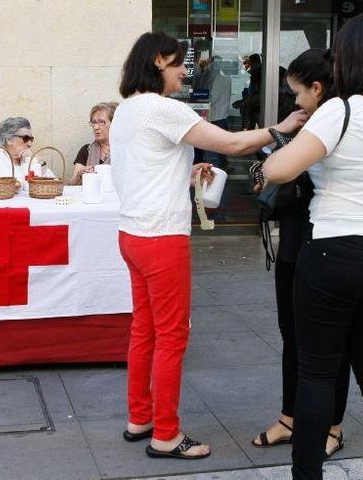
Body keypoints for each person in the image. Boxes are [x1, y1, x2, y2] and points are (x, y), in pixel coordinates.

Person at [111, 31, 306, 460]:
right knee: (172, 337)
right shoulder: (164, 108)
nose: (186, 70)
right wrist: (280, 129)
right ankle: (166, 434)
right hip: (161, 238)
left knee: (144, 330)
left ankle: (139, 418)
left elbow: (144, 166)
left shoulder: (127, 110)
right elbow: (233, 143)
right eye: (180, 62)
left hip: (133, 234)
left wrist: (182, 168)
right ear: (159, 61)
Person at [263, 14, 363, 479]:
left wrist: (275, 149)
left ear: (348, 59)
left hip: (335, 251)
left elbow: (278, 171)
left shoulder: (340, 109)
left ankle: (306, 473)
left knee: (316, 373)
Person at [249, 48, 349, 460]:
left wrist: (271, 166)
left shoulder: (344, 123)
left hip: (328, 244)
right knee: (291, 334)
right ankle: (291, 417)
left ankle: (332, 425)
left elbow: (275, 172)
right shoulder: (302, 128)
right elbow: (267, 174)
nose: (294, 102)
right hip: (293, 241)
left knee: (329, 342)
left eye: (297, 93)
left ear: (318, 88)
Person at [0, 117, 55, 190]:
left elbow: (54, 184)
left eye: (31, 139)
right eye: (26, 138)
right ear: (9, 139)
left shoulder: (30, 158)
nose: (30, 144)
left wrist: (39, 164)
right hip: (0, 208)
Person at [70, 102, 118, 185]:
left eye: (101, 122)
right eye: (94, 122)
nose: (96, 127)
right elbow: (71, 184)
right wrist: (79, 175)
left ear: (114, 124)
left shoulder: (125, 150)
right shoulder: (86, 150)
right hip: (90, 196)